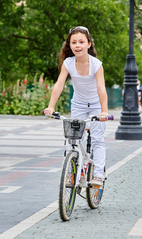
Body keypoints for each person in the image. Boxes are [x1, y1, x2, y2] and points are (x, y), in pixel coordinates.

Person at [43, 26, 108, 186]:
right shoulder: (68, 63)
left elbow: (101, 89)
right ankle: (74, 171)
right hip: (78, 105)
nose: (77, 45)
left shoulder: (96, 65)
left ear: (89, 44)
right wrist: (51, 106)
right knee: (73, 139)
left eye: (81, 42)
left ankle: (98, 174)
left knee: (97, 139)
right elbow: (59, 85)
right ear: (69, 45)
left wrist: (104, 111)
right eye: (74, 42)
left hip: (96, 105)